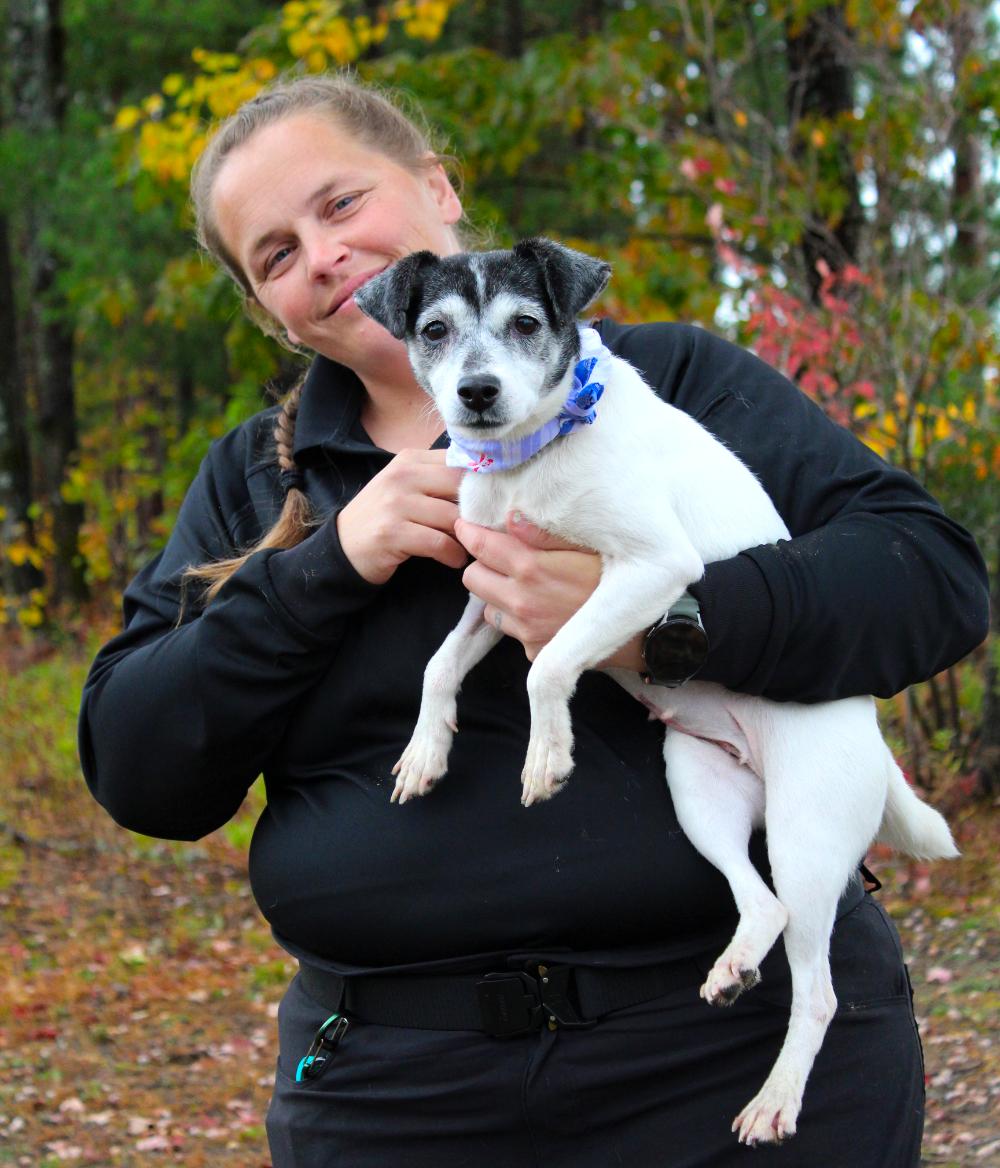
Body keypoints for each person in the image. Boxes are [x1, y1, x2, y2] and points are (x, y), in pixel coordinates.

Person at [79, 73, 989, 1168]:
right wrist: (330, 563)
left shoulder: (664, 383)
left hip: (717, 1046)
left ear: (436, 186)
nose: (319, 255)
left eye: (338, 204)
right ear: (268, 306)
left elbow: (927, 574)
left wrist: (666, 626)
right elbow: (140, 768)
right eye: (274, 254)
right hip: (398, 1087)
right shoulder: (259, 477)